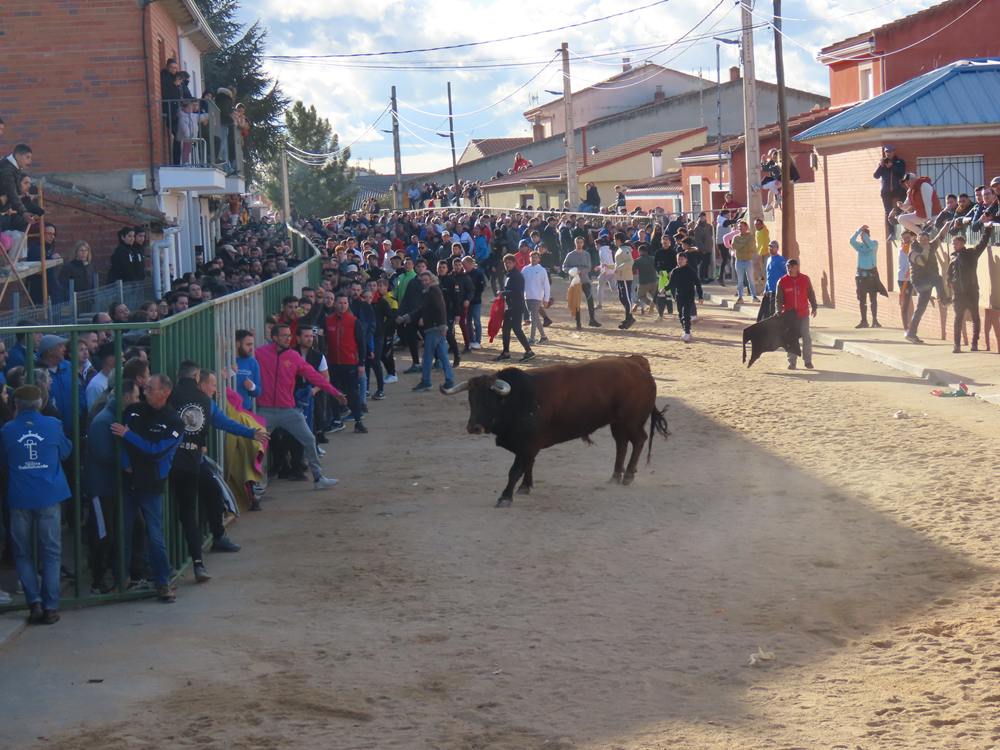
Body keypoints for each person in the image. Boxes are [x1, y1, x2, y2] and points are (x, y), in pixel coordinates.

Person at [0, 385, 72, 624]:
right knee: (51, 551)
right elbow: (66, 451)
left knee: (22, 552)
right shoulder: (53, 425)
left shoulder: (7, 430)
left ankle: (35, 603)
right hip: (49, 495)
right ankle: (51, 606)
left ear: (16, 405)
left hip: (20, 496)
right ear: (40, 403)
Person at [112, 374, 183, 603]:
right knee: (123, 531)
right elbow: (120, 442)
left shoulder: (174, 421)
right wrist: (126, 464)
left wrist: (129, 435)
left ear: (165, 392)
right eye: (146, 388)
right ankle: (121, 579)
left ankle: (162, 582)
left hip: (151, 484)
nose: (145, 392)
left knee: (155, 535)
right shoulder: (134, 411)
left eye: (150, 389)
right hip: (129, 481)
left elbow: (156, 451)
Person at [255, 324, 345, 488]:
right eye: (284, 335)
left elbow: (315, 376)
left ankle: (318, 478)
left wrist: (335, 393)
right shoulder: (260, 353)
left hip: (288, 409)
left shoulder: (293, 356)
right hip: (265, 410)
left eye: (289, 335)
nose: (288, 338)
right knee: (256, 445)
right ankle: (254, 483)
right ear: (274, 337)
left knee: (309, 439)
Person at [397, 271, 456, 392]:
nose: (424, 282)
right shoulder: (430, 291)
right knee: (442, 356)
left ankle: (426, 381)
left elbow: (441, 308)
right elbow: (422, 309)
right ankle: (449, 380)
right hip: (435, 328)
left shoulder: (432, 290)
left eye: (426, 280)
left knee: (428, 356)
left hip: (434, 328)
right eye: (422, 281)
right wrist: (406, 317)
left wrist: (443, 325)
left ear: (431, 280)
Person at [325, 293, 368, 434]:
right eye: (340, 303)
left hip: (350, 363)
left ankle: (358, 421)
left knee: (352, 393)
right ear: (335, 304)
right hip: (332, 363)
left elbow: (362, 344)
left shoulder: (354, 321)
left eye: (345, 303)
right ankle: (336, 420)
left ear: (348, 304)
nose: (342, 305)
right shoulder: (328, 321)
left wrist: (361, 363)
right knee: (334, 392)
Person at [946, 224, 991, 353]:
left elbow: (982, 243)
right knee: (958, 318)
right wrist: (949, 281)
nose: (953, 245)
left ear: (962, 243)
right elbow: (949, 272)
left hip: (971, 291)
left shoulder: (971, 253)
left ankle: (974, 343)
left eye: (955, 242)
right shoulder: (953, 256)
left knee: (975, 317)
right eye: (953, 243)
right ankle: (957, 345)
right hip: (959, 293)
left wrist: (987, 229)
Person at [905, 224, 949, 343]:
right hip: (920, 283)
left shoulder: (931, 246)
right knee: (938, 279)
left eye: (926, 240)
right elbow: (922, 262)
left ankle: (911, 334)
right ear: (918, 240)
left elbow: (941, 235)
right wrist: (926, 249)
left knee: (920, 309)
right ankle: (944, 300)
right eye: (922, 240)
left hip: (928, 281)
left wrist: (949, 222)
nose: (924, 242)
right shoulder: (913, 252)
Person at [775, 258, 818, 370]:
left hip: (803, 313)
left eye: (791, 267)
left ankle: (808, 361)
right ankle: (792, 362)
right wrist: (778, 311)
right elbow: (778, 299)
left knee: (806, 337)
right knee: (791, 338)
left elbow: (811, 294)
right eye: (787, 267)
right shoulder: (782, 281)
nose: (789, 269)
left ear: (797, 267)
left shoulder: (805, 279)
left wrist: (814, 306)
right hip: (789, 316)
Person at [496, 254, 535, 361]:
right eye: (506, 263)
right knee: (506, 329)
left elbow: (517, 292)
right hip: (511, 306)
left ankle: (529, 351)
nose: (507, 265)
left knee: (517, 329)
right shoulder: (509, 275)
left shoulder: (516, 276)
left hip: (516, 306)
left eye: (509, 263)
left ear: (514, 263)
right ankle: (506, 352)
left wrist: (503, 293)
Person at [561, 236, 601, 328]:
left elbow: (589, 267)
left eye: (581, 242)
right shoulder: (570, 255)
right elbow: (564, 267)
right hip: (575, 281)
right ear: (575, 243)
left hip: (585, 279)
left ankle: (592, 319)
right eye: (577, 242)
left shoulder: (586, 254)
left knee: (590, 299)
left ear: (583, 243)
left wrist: (583, 271)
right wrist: (573, 271)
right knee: (576, 301)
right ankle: (578, 323)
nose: (579, 244)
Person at [849, 225, 883, 328]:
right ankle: (864, 321)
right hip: (861, 276)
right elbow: (851, 241)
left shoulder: (874, 244)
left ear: (868, 236)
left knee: (873, 299)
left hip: (871, 275)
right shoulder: (860, 247)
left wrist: (865, 236)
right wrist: (859, 230)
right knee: (862, 299)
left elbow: (871, 246)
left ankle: (875, 321)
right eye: (861, 237)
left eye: (864, 236)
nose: (862, 238)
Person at [665, 251, 703, 343]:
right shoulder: (675, 271)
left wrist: (700, 296)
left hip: (689, 296)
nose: (680, 261)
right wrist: (665, 288)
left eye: (682, 259)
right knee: (680, 315)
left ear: (686, 260)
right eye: (678, 259)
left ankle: (687, 333)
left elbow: (698, 284)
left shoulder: (690, 271)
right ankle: (686, 330)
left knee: (685, 314)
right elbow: (671, 283)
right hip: (679, 296)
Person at [873, 145, 906, 234]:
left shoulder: (899, 162)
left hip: (897, 190)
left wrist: (891, 166)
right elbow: (876, 176)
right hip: (885, 191)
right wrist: (881, 166)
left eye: (890, 151)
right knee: (888, 211)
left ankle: (902, 230)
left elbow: (901, 174)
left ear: (893, 152)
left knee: (898, 209)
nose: (889, 153)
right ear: (885, 153)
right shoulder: (882, 163)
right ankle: (891, 233)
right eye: (887, 152)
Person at [523, 250, 551, 344]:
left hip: (537, 297)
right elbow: (521, 282)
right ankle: (543, 337)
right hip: (527, 296)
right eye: (532, 257)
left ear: (539, 259)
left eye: (535, 257)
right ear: (529, 258)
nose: (533, 259)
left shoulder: (542, 270)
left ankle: (531, 339)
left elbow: (546, 285)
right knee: (535, 318)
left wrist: (546, 299)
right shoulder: (525, 269)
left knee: (533, 317)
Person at [759, 240, 787, 320]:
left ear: (777, 248)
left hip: (777, 291)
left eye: (773, 246)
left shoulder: (781, 260)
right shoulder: (768, 259)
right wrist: (766, 289)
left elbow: (787, 272)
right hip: (769, 290)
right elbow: (768, 275)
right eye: (769, 246)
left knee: (773, 312)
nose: (770, 248)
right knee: (764, 312)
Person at [731, 221, 758, 303]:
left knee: (751, 280)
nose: (740, 228)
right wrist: (744, 245)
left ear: (746, 227)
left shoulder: (751, 237)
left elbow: (751, 248)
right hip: (738, 261)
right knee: (740, 281)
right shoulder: (735, 237)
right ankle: (740, 297)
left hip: (748, 261)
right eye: (739, 226)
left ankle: (754, 297)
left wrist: (741, 246)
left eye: (741, 226)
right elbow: (733, 246)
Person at [234, 329, 261, 410]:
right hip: (226, 409)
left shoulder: (253, 362)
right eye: (248, 345)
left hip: (245, 410)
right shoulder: (225, 359)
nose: (251, 348)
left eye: (252, 345)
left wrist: (252, 387)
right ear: (238, 344)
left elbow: (258, 391)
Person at [613, 235, 635, 329]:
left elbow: (630, 262)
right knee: (622, 298)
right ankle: (629, 317)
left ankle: (629, 318)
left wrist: (618, 268)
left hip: (625, 277)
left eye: (615, 239)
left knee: (626, 298)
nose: (614, 241)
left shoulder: (624, 249)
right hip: (621, 277)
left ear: (618, 240)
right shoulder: (620, 249)